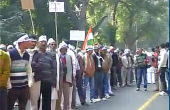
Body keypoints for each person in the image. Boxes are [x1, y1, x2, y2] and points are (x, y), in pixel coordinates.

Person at [31, 35, 57, 110]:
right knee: (36, 102)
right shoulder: (35, 54)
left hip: (48, 81)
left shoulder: (50, 55)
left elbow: (53, 68)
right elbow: (32, 65)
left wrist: (53, 81)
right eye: (41, 42)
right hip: (37, 82)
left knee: (47, 102)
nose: (43, 43)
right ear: (38, 43)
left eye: (45, 42)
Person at [7, 33, 32, 110]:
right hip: (12, 88)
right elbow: (7, 70)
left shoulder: (27, 55)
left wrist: (29, 84)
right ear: (22, 42)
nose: (29, 43)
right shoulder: (10, 54)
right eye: (28, 41)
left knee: (23, 107)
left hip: (24, 87)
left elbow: (29, 70)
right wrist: (9, 86)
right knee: (9, 107)